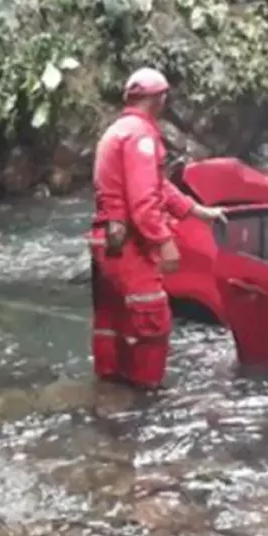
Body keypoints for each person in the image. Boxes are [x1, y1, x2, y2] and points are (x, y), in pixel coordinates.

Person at [89, 67, 225, 389]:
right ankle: (145, 393)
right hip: (128, 246)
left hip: (107, 239)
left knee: (112, 318)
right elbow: (144, 198)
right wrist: (163, 240)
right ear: (159, 99)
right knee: (152, 319)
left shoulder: (118, 130)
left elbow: (157, 184)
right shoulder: (141, 136)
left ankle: (108, 386)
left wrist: (195, 210)